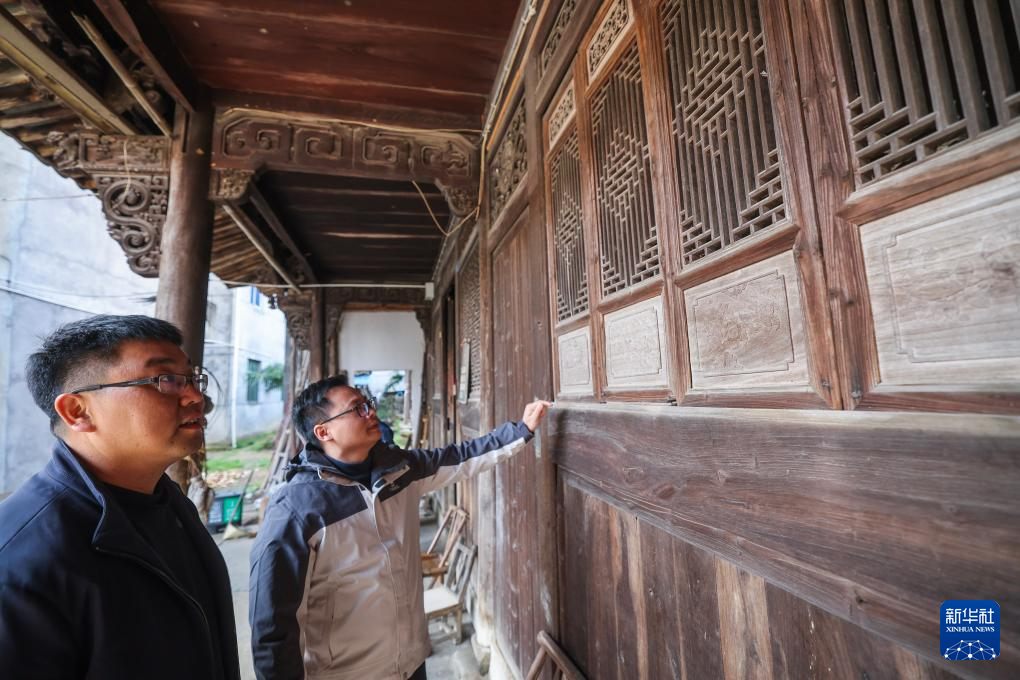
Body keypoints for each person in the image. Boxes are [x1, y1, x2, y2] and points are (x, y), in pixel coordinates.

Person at [249, 375, 552, 680]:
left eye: (368, 403)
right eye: (357, 408)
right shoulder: (296, 509)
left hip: (412, 661)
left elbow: (460, 457)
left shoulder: (399, 469)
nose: (371, 412)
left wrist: (521, 430)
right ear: (323, 431)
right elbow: (273, 627)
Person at [0, 315, 240, 680]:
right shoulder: (22, 562)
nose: (196, 397)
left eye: (192, 378)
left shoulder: (170, 503)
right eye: (165, 379)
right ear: (78, 411)